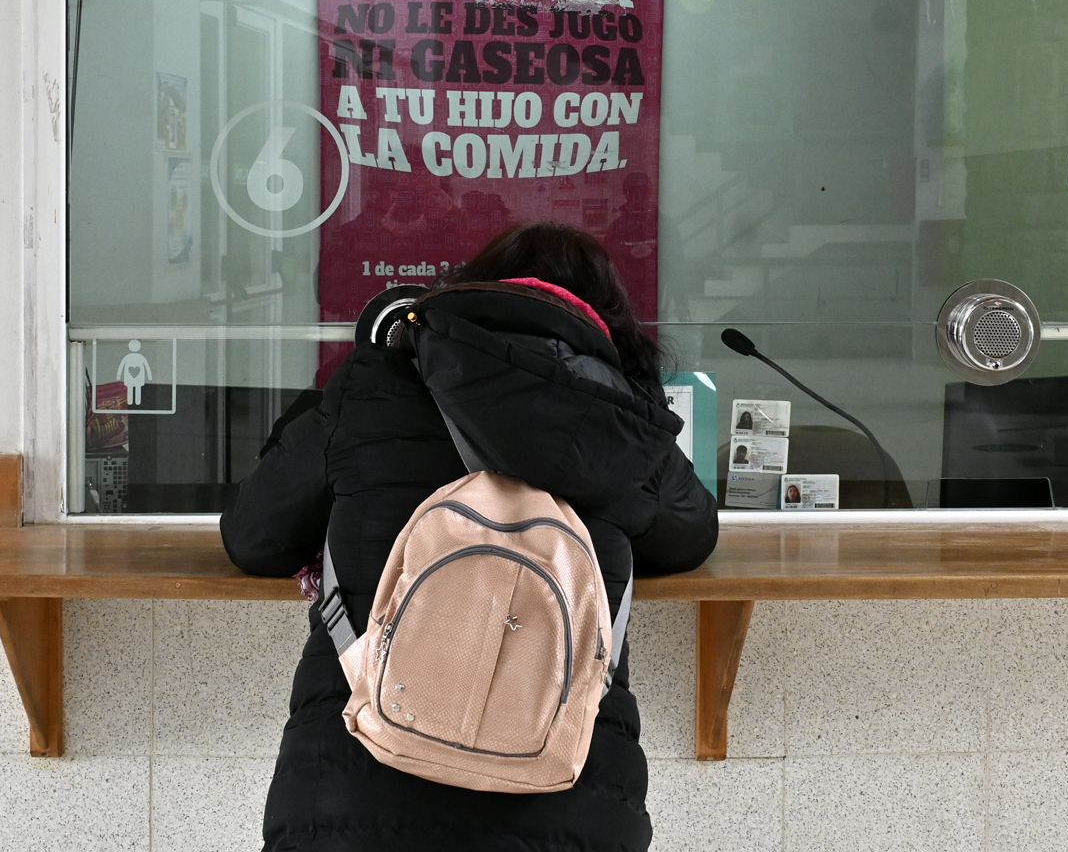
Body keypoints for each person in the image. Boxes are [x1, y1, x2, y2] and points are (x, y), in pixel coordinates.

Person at [221, 222, 719, 852]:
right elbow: (690, 535)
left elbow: (253, 536)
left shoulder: (376, 387)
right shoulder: (619, 425)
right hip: (566, 799)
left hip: (354, 788)